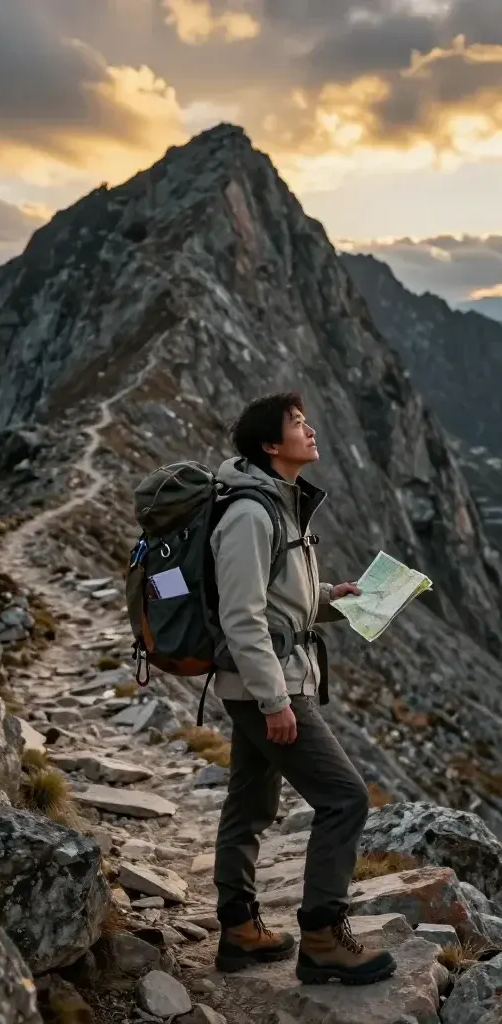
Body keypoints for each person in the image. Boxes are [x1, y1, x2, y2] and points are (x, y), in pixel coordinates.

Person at [210, 392, 396, 986]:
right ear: (271, 445)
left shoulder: (279, 506)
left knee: (250, 802)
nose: (311, 430)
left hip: (266, 682)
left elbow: (278, 603)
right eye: (297, 424)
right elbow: (242, 617)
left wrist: (330, 601)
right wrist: (275, 702)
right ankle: (322, 938)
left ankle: (239, 929)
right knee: (345, 798)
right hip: (268, 685)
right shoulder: (249, 514)